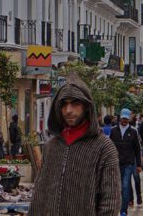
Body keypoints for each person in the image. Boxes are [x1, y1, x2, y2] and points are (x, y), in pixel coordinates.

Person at [28, 73, 120, 216]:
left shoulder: (103, 147)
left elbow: (110, 202)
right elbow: (39, 193)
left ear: (87, 107)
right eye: (64, 104)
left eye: (75, 103)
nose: (68, 110)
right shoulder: (52, 146)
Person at [109, 109, 142, 216]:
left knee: (125, 185)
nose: (124, 120)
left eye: (126, 119)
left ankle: (123, 211)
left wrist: (139, 164)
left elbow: (137, 149)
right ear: (120, 118)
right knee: (117, 186)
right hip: (116, 163)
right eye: (123, 118)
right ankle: (115, 207)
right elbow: (109, 147)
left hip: (129, 163)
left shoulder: (133, 131)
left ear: (129, 119)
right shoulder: (113, 130)